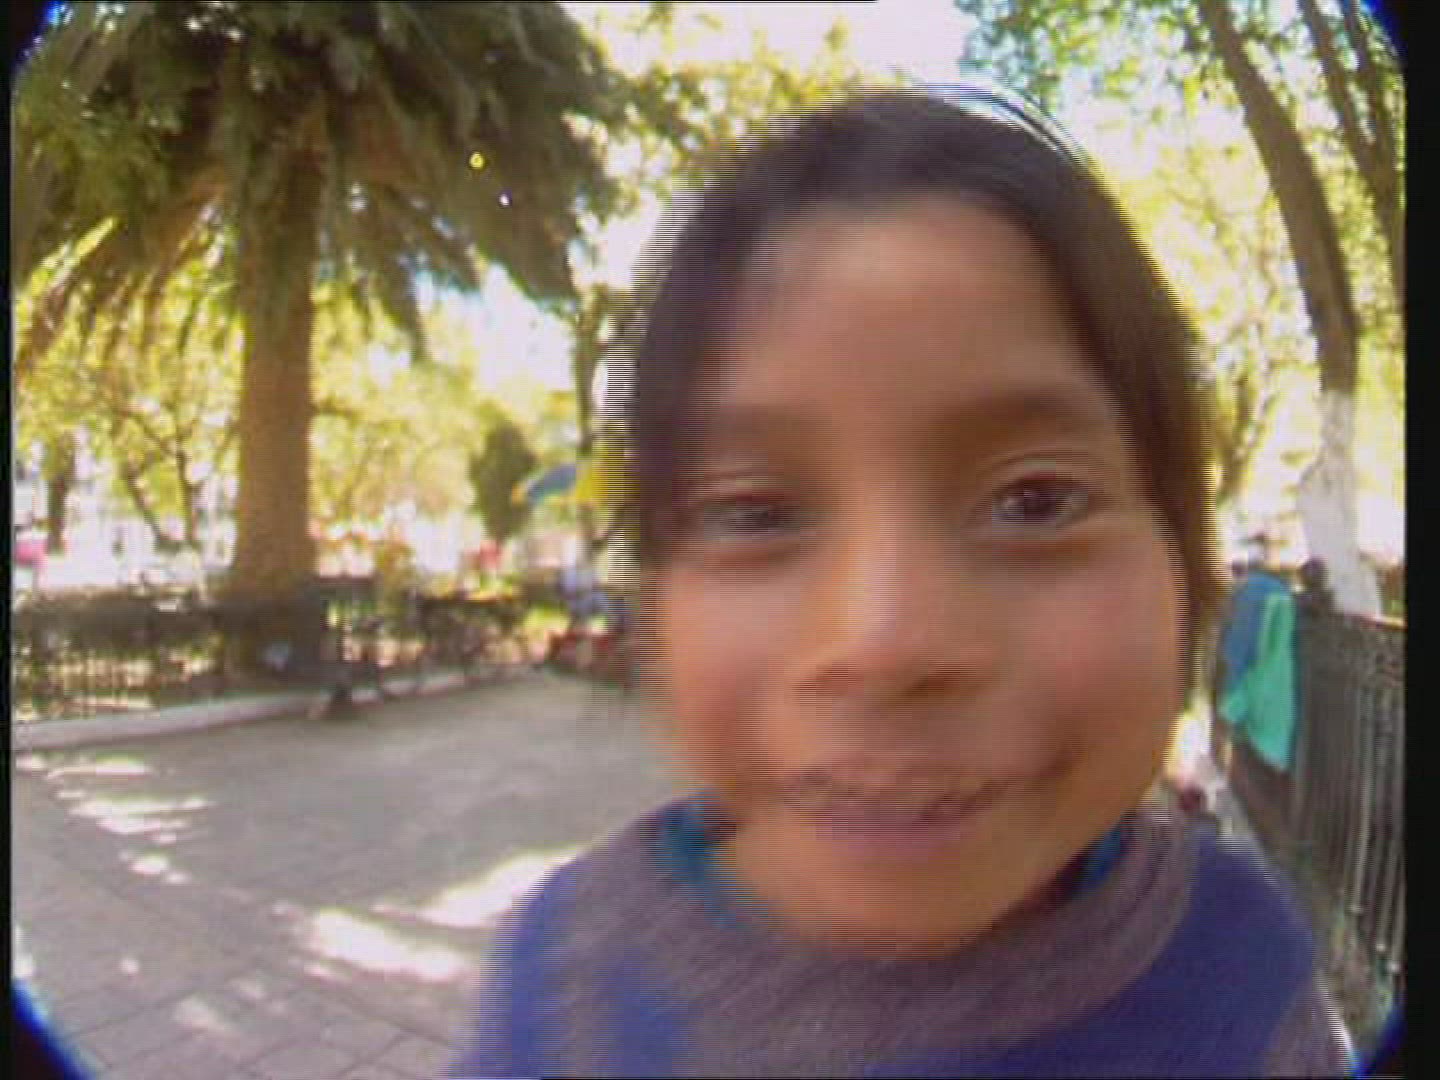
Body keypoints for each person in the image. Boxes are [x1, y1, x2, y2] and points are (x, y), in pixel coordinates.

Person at [451, 89, 1352, 1077]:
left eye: (1036, 500)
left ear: (1183, 558)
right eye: (754, 514)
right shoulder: (568, 985)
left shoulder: (1247, 967)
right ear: (654, 602)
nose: (884, 642)